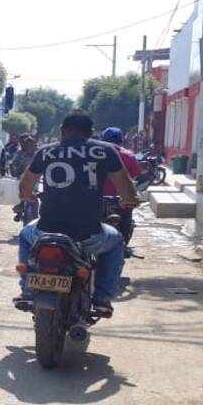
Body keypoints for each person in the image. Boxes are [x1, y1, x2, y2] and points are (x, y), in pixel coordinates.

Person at [15, 113, 139, 316]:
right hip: (89, 235)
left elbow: (25, 186)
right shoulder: (105, 150)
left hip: (46, 231)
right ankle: (102, 298)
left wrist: (28, 196)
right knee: (116, 242)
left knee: (24, 235)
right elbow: (126, 190)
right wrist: (129, 200)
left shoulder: (45, 151)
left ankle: (28, 291)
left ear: (62, 131)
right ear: (90, 132)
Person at [99, 127, 142, 245]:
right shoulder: (128, 155)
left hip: (96, 198)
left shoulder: (94, 154)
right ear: (121, 140)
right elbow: (134, 176)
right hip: (121, 200)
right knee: (125, 222)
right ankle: (123, 243)